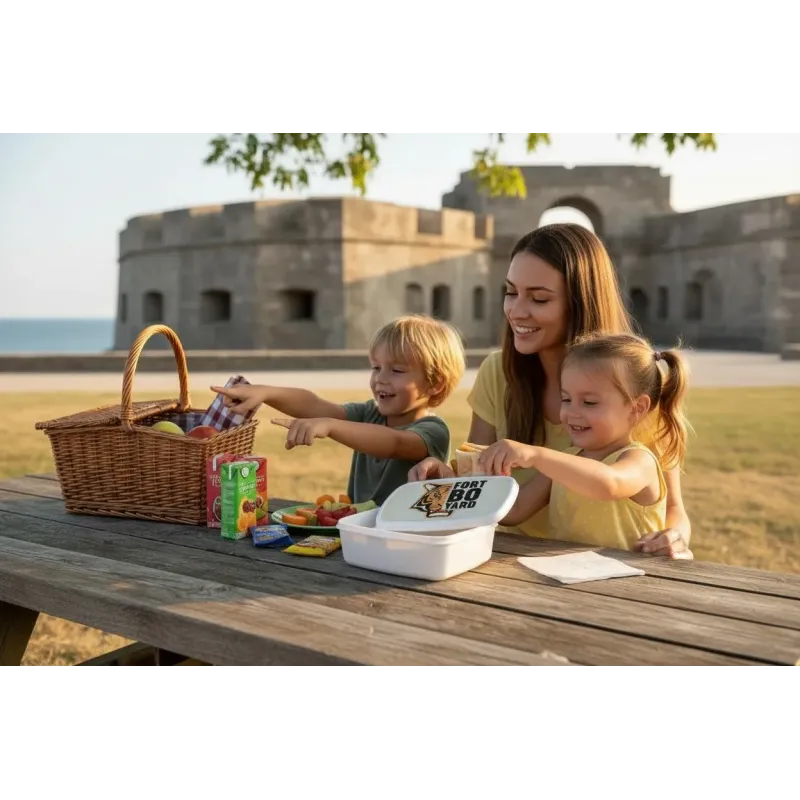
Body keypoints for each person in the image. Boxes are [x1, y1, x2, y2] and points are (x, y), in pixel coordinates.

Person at [408, 223, 693, 559]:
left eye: (539, 298)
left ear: (579, 303)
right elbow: (484, 487)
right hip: (519, 563)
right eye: (511, 292)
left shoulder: (632, 388)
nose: (516, 311)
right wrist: (445, 478)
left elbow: (671, 508)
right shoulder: (497, 373)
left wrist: (674, 536)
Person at [212, 315, 465, 505]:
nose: (381, 379)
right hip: (362, 533)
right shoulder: (369, 413)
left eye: (397, 370)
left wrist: (330, 425)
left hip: (407, 537)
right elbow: (315, 406)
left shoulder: (433, 431)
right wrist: (265, 392)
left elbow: (394, 443)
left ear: (435, 384)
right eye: (376, 367)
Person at [477, 332, 690, 551]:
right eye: (566, 399)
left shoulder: (640, 460)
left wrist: (535, 455)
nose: (572, 412)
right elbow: (516, 510)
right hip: (568, 580)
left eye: (588, 402)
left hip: (629, 581)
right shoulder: (567, 459)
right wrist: (482, 480)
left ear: (637, 408)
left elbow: (608, 483)